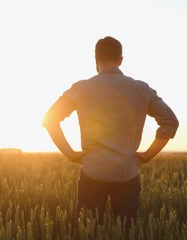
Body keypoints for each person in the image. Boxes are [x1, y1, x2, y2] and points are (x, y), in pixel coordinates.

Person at [42, 36, 179, 227]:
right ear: (121, 60)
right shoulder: (142, 89)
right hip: (127, 173)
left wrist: (70, 154)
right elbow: (170, 121)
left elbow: (50, 119)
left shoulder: (81, 88)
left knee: (87, 232)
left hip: (92, 171)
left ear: (95, 59)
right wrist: (148, 155)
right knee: (127, 232)